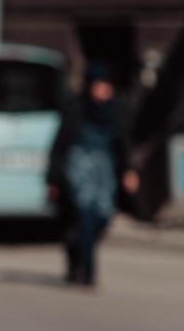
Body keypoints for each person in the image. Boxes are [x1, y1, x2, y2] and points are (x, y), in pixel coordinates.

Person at [46, 62, 139, 287]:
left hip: (105, 171)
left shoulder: (116, 110)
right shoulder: (76, 108)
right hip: (78, 168)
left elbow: (123, 142)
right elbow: (60, 145)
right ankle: (87, 272)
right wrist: (53, 178)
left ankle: (76, 246)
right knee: (85, 216)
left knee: (102, 216)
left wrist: (129, 171)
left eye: (106, 86)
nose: (103, 91)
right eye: (99, 86)